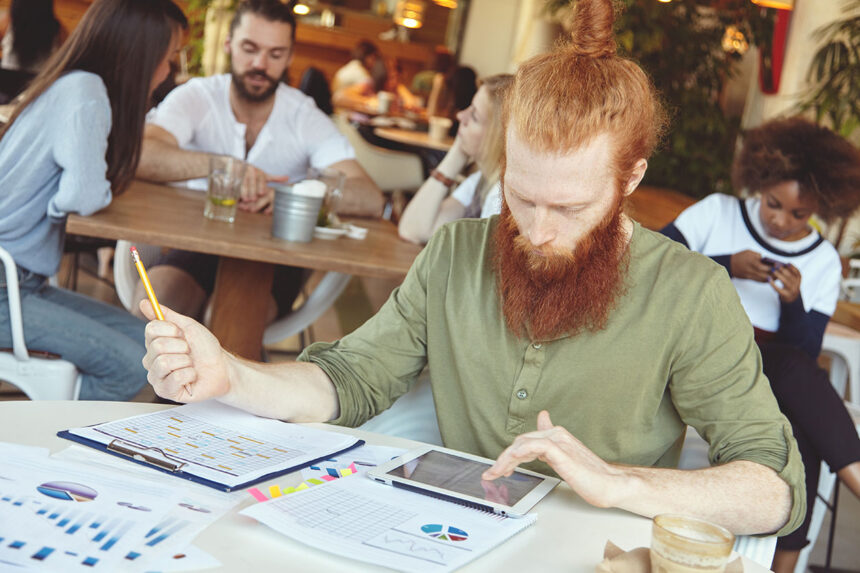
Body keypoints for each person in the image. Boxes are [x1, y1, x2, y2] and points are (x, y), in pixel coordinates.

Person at [141, 0, 805, 537]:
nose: (538, 231)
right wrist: (231, 374)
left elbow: (775, 488)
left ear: (631, 176)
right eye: (521, 194)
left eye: (570, 207)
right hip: (441, 535)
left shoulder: (690, 292)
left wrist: (622, 482)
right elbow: (353, 378)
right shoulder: (457, 251)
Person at [661, 116, 860, 573]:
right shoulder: (717, 212)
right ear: (760, 180)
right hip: (697, 352)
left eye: (798, 214)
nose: (780, 220)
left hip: (769, 372)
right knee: (793, 388)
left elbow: (806, 354)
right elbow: (655, 264)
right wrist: (725, 263)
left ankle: (781, 565)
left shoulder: (823, 261)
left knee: (795, 425)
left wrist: (793, 304)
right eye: (774, 204)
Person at [133, 0, 384, 325]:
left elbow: (370, 197)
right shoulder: (198, 96)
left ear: (290, 56)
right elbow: (141, 155)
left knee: (229, 320)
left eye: (275, 54)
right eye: (249, 49)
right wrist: (224, 166)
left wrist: (293, 194)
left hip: (275, 260)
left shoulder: (304, 115)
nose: (260, 64)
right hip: (198, 242)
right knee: (156, 303)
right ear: (229, 45)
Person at [0, 0, 186, 400]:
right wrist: (74, 197)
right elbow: (83, 195)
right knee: (130, 365)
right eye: (168, 58)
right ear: (140, 53)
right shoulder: (86, 92)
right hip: (6, 288)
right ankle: (54, 446)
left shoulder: (70, 82)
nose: (169, 71)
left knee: (145, 341)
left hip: (22, 283)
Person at [398, 74, 511, 244]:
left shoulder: (500, 196)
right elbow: (412, 230)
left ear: (497, 137)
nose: (460, 116)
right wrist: (457, 154)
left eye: (474, 116)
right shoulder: (480, 181)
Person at [0, 0, 65, 73]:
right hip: (40, 81)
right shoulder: (58, 30)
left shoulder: (7, 22)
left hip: (8, 78)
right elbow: (65, 58)